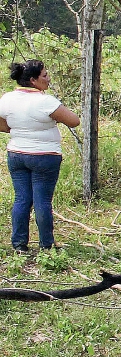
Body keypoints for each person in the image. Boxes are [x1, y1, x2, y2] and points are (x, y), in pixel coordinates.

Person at [0, 59, 81, 251]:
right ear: (33, 80)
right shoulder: (45, 101)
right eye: (45, 75)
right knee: (42, 200)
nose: (48, 79)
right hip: (44, 156)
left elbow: (2, 124)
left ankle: (19, 244)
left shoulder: (7, 99)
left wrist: (18, 128)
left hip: (17, 154)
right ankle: (47, 244)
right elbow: (74, 121)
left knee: (22, 199)